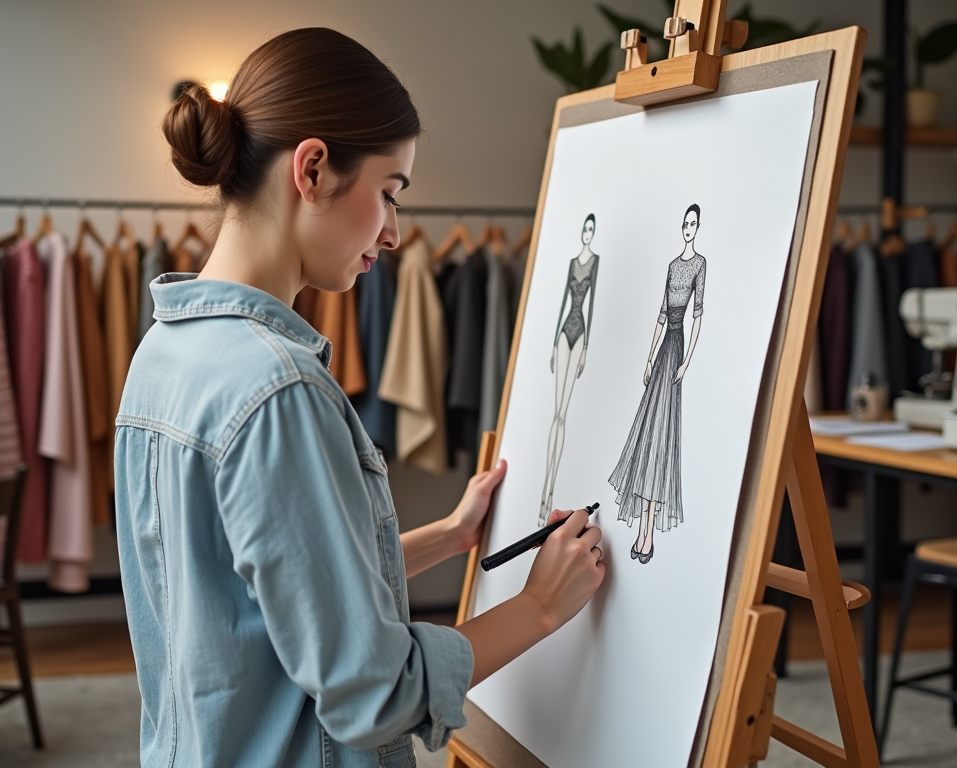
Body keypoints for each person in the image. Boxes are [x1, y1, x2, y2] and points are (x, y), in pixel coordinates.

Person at [114, 27, 605, 768]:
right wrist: (537, 609)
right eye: (389, 192)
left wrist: (448, 535)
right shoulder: (277, 388)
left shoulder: (164, 352)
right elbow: (375, 691)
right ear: (311, 169)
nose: (396, 232)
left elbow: (264, 596)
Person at [608, 203, 706, 565]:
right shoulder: (672, 266)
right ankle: (643, 529)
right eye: (685, 223)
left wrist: (687, 362)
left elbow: (698, 316)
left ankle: (648, 529)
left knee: (663, 437)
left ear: (698, 228)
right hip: (665, 348)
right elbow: (661, 315)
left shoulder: (699, 265)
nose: (688, 228)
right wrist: (648, 357)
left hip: (678, 350)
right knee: (650, 435)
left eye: (693, 224)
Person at [539, 213, 600, 525]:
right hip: (564, 332)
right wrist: (552, 344)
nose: (588, 233)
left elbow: (589, 305)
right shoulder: (574, 261)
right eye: (585, 229)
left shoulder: (595, 262)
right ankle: (546, 492)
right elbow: (565, 302)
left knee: (563, 412)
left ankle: (549, 493)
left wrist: (587, 346)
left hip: (580, 335)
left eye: (591, 229)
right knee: (556, 414)